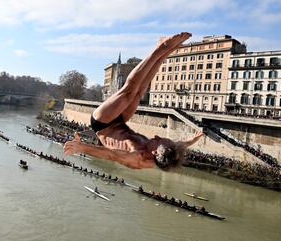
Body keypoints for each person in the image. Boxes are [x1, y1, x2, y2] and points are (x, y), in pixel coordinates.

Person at [63, 32, 204, 170]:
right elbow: (179, 145)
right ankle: (166, 52)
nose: (155, 136)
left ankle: (160, 48)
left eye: (157, 140)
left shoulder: (136, 158)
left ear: (154, 153)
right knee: (138, 94)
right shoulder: (165, 153)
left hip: (102, 124)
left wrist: (82, 147)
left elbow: (110, 154)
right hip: (121, 121)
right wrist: (192, 140)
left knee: (129, 93)